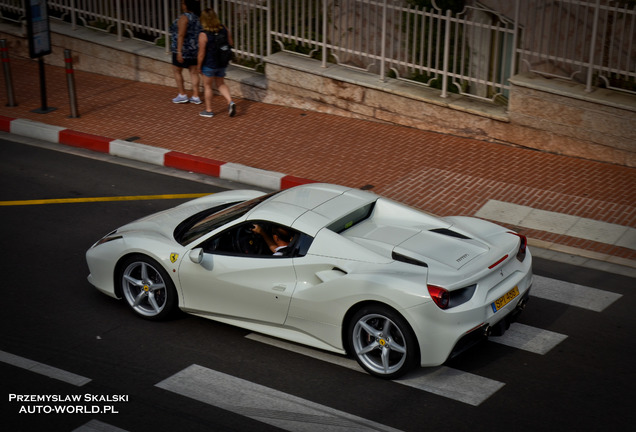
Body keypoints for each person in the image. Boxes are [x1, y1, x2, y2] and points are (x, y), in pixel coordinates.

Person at [197, 8, 237, 118]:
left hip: (209, 64)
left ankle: (209, 110)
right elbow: (230, 43)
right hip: (222, 62)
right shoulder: (224, 28)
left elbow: (201, 53)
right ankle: (230, 101)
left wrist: (199, 66)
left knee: (208, 86)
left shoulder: (203, 34)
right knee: (221, 83)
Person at [170, 0, 202, 104]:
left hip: (183, 49)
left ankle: (182, 94)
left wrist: (179, 52)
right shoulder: (198, 17)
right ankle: (196, 95)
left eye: (183, 3)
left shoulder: (184, 17)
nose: (182, 5)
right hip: (194, 49)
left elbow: (181, 35)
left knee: (177, 70)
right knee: (193, 72)